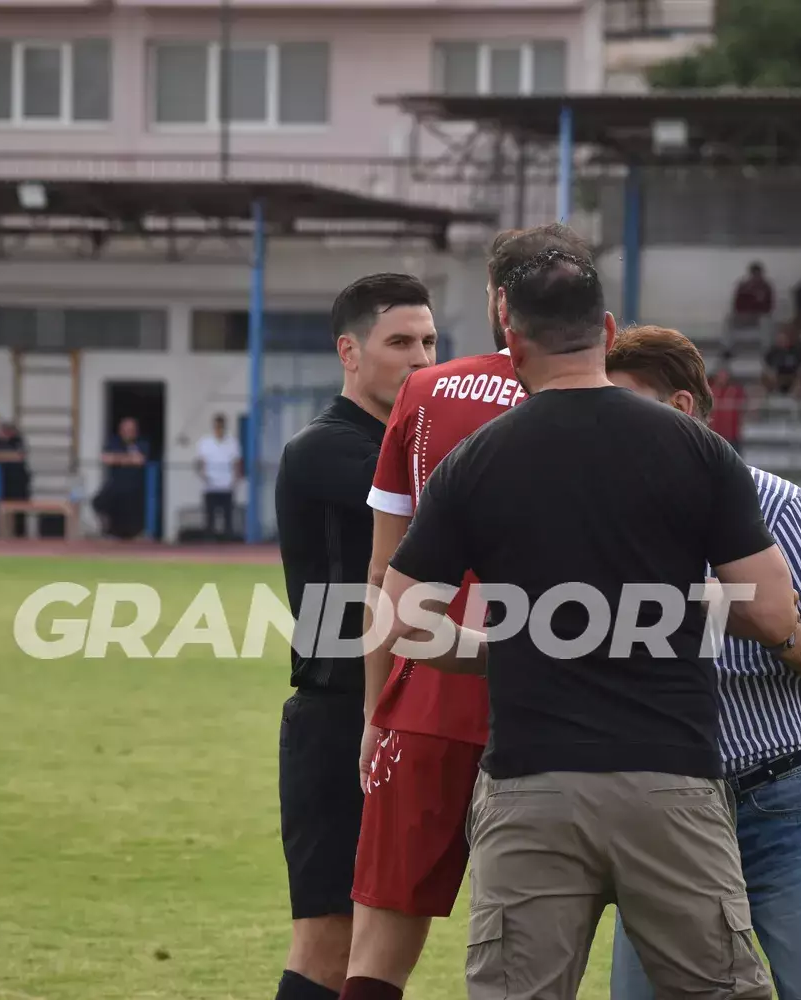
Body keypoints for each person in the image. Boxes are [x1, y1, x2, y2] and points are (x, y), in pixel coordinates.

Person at [374, 248, 797, 1000]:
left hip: (531, 782)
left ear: (512, 339)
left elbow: (403, 620)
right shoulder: (698, 449)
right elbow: (772, 612)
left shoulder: (475, 461)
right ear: (605, 329)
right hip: (670, 779)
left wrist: (504, 648)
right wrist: (662, 612)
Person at [343, 225, 592, 1000]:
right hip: (560, 704)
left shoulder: (425, 392)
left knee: (377, 949)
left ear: (497, 300)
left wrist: (374, 711)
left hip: (427, 699)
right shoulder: (606, 395)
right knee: (537, 955)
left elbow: (382, 573)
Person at [603, 324, 801, 1000]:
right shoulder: (603, 516)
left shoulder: (776, 505)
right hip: (659, 810)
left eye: (623, 406)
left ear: (681, 407)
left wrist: (768, 625)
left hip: (774, 796)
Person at [271, 273, 436, 1000]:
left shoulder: (413, 445)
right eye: (400, 342)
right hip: (340, 717)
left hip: (414, 710)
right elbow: (438, 509)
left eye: (429, 342)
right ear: (349, 351)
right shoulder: (327, 448)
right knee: (329, 948)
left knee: (386, 948)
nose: (421, 358)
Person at [96, 417, 149, 539]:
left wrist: (118, 458)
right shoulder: (113, 442)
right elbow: (106, 458)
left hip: (135, 486)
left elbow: (140, 460)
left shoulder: (142, 443)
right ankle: (109, 529)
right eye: (126, 430)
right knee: (98, 502)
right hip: (115, 484)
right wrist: (128, 459)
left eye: (131, 430)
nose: (128, 433)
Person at [195, 414, 242, 541]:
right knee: (210, 516)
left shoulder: (232, 442)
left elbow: (236, 462)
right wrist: (203, 476)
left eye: (221, 427)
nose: (219, 429)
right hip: (210, 485)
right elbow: (201, 462)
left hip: (227, 484)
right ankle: (209, 539)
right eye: (217, 426)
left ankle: (227, 539)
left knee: (228, 516)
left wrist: (235, 478)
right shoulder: (205, 442)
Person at [708, 360, 748, 454]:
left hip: (732, 434)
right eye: (720, 375)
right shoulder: (710, 390)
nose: (722, 378)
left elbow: (744, 406)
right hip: (714, 434)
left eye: (724, 375)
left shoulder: (736, 390)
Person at [762, 325, 801, 401]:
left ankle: (798, 398)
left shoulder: (796, 351)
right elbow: (767, 367)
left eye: (784, 339)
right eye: (780, 339)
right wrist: (771, 373)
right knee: (766, 375)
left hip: (792, 376)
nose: (782, 341)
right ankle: (768, 397)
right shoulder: (772, 352)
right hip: (778, 375)